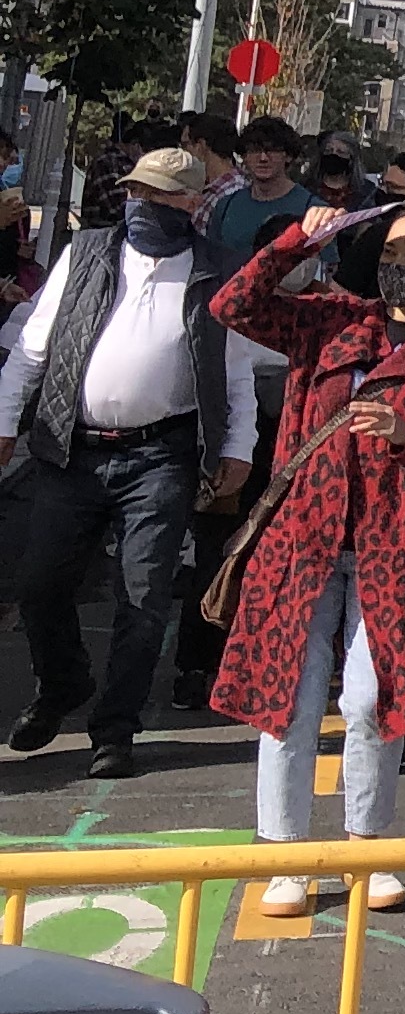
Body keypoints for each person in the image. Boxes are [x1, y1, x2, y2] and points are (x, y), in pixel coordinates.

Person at [207, 199, 405, 914]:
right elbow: (233, 303)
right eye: (392, 253)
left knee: (372, 700)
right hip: (301, 543)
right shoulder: (330, 320)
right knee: (289, 698)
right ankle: (285, 855)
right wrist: (297, 240)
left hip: (395, 547)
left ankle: (367, 848)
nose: (399, 268)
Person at [0, 148, 273, 780]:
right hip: (72, 447)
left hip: (161, 455)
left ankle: (116, 728)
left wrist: (236, 449)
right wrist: (6, 423)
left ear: (190, 205)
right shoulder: (88, 251)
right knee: (40, 585)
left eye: (157, 197)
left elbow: (233, 375)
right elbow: (33, 347)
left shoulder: (215, 270)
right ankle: (62, 682)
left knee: (144, 594)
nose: (140, 206)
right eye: (135, 193)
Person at [200, 118, 310, 279]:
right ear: (244, 156)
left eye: (272, 150)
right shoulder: (225, 206)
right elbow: (209, 261)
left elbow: (324, 274)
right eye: (254, 150)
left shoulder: (311, 209)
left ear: (288, 156)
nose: (263, 158)